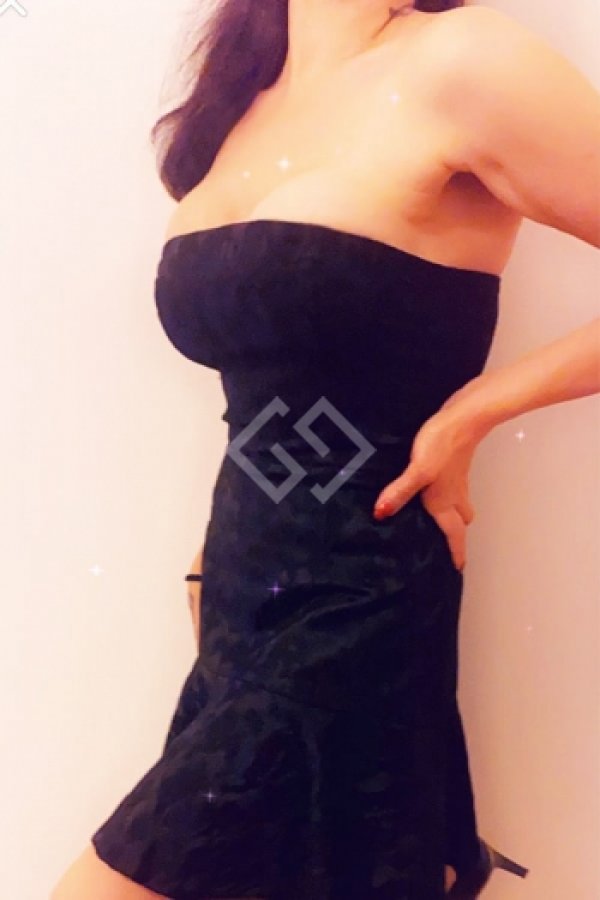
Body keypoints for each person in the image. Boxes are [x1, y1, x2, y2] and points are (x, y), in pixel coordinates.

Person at [51, 1, 600, 898]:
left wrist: (474, 412)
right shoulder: (239, 101)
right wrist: (211, 554)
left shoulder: (468, 62)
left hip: (362, 595)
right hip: (234, 603)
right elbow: (269, 386)